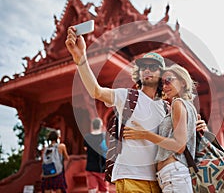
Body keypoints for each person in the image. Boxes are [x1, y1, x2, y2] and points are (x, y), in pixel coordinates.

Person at [66, 26, 167, 192]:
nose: (147, 70)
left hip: (160, 179)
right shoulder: (127, 97)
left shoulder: (167, 107)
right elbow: (96, 91)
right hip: (131, 177)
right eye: (144, 67)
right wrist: (81, 58)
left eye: (153, 67)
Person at [123, 64, 198, 192]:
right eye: (162, 83)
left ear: (183, 82)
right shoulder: (189, 107)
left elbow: (179, 146)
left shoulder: (177, 103)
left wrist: (144, 134)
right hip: (172, 175)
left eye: (169, 80)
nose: (165, 86)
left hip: (174, 173)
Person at [84, 117, 109, 193]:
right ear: (101, 125)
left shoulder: (87, 137)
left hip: (90, 167)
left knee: (92, 190)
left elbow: (85, 149)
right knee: (104, 190)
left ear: (92, 126)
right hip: (103, 168)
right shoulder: (105, 136)